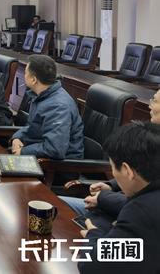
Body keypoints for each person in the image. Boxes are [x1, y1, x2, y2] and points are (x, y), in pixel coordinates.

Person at [61, 88, 160, 229]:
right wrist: (112, 185)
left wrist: (103, 198)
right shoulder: (152, 138)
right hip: (108, 210)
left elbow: (145, 205)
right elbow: (139, 172)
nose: (149, 105)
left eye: (154, 101)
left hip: (121, 220)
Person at [78, 122, 160, 273]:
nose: (113, 174)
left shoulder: (141, 211)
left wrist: (93, 234)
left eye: (112, 168)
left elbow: (92, 267)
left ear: (127, 170)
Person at [10, 55, 84, 159]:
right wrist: (18, 138)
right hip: (41, 153)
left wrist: (23, 152)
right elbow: (33, 127)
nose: (24, 75)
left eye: (25, 73)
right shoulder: (41, 95)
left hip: (60, 165)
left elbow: (54, 149)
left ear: (34, 80)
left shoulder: (58, 107)